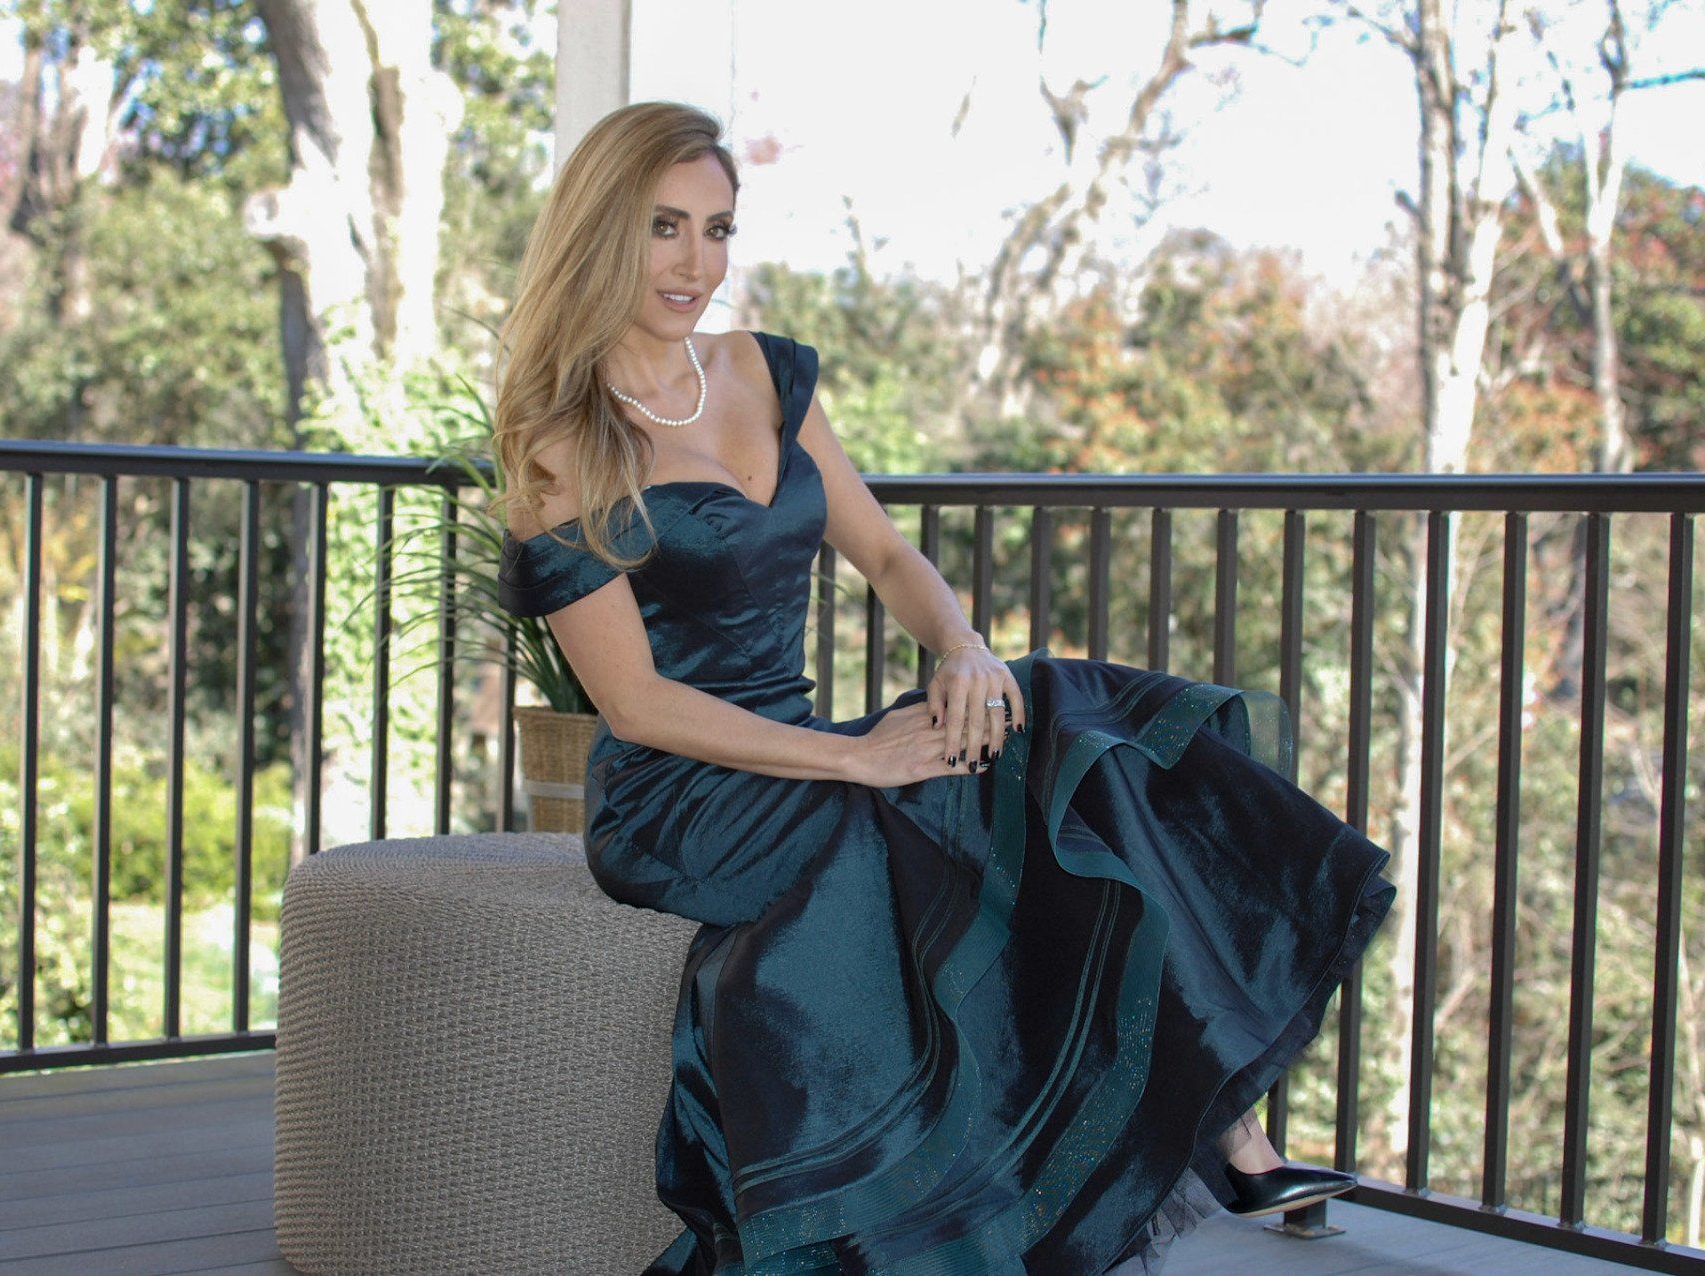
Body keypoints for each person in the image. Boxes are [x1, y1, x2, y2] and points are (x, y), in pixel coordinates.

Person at [490, 100, 1396, 1275]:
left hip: (799, 748)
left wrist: (963, 649)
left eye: (717, 229)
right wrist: (862, 755)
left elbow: (887, 556)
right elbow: (638, 708)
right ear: (603, 228)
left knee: (1043, 713)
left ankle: (1226, 1117)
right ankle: (1132, 1152)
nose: (695, 264)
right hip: (680, 796)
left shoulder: (762, 374)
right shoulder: (560, 441)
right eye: (665, 228)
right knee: (934, 801)